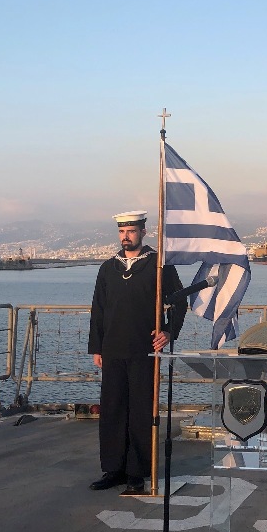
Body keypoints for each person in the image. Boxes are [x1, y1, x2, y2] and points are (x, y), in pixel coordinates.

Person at [88, 210, 183, 495]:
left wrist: (168, 332)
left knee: (141, 412)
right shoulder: (108, 268)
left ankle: (137, 471)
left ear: (143, 231)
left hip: (144, 350)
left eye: (131, 231)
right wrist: (97, 347)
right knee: (113, 411)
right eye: (121, 232)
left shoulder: (158, 266)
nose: (126, 236)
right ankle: (113, 469)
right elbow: (98, 311)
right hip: (112, 350)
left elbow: (179, 302)